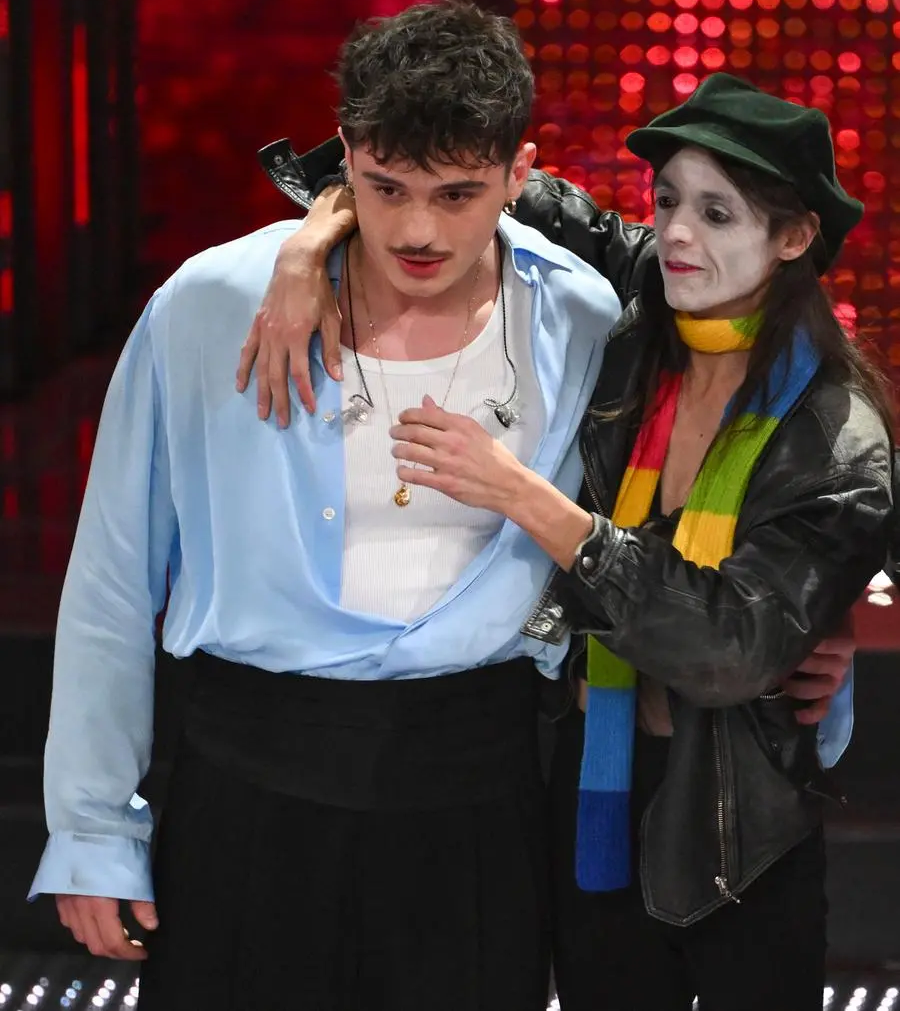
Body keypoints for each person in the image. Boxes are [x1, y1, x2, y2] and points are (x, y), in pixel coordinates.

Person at [237, 73, 891, 1010]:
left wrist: (529, 502)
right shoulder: (650, 304)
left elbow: (721, 649)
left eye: (717, 213)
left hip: (738, 828)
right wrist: (308, 248)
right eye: (667, 203)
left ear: (794, 238)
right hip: (590, 786)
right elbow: (443, 173)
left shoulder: (837, 434)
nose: (676, 234)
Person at [28, 0, 627, 1011]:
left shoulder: (580, 311)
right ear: (345, 158)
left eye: (458, 191)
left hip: (475, 785)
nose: (418, 227)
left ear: (523, 174)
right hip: (248, 778)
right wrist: (92, 826)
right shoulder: (213, 302)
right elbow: (114, 577)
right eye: (385, 187)